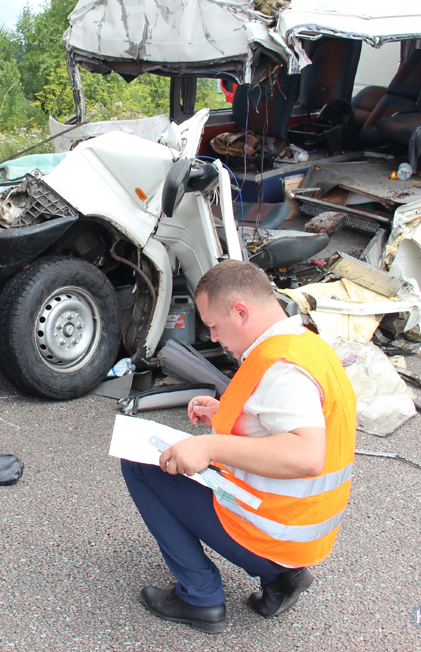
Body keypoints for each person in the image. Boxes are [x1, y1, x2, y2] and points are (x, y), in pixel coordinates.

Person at [121, 260, 356, 634]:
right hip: (301, 530)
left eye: (214, 325)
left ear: (241, 312)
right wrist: (228, 414)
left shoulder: (282, 369)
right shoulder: (303, 345)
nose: (213, 337)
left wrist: (210, 447)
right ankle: (282, 579)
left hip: (273, 533)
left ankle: (200, 598)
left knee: (138, 465)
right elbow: (278, 421)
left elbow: (307, 455)